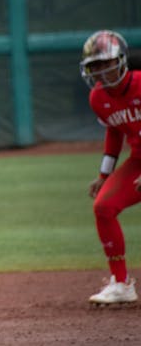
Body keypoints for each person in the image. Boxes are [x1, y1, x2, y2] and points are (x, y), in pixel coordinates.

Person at [81, 30, 141, 305]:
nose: (101, 71)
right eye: (95, 66)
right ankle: (120, 284)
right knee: (103, 207)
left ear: (120, 60)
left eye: (106, 63)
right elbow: (115, 133)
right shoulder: (98, 98)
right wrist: (104, 175)